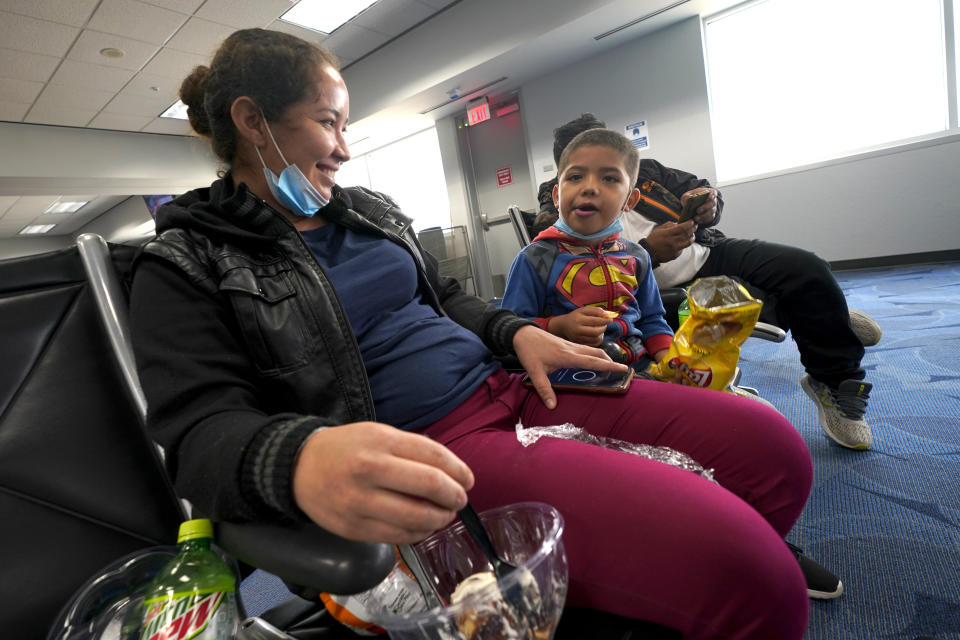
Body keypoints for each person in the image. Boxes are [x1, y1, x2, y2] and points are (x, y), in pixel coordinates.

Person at [130, 28, 821, 639]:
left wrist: (516, 331)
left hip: (513, 385)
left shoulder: (364, 211)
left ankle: (644, 594)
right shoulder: (187, 261)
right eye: (327, 123)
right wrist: (299, 458)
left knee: (773, 453)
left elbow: (448, 296)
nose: (344, 147)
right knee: (759, 584)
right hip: (436, 446)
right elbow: (197, 436)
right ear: (254, 121)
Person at [536, 114, 883, 451]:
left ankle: (828, 355)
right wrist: (649, 253)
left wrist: (708, 205)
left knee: (806, 268)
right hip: (651, 293)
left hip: (707, 251)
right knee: (764, 298)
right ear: (563, 172)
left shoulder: (649, 171)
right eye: (583, 167)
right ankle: (822, 318)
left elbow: (699, 187)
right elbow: (570, 276)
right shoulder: (558, 206)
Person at [501, 128, 673, 374]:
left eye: (610, 179)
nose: (589, 188)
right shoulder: (534, 259)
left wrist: (670, 361)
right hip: (573, 376)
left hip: (640, 369)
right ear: (558, 196)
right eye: (575, 177)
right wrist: (559, 326)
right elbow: (512, 330)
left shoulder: (637, 256)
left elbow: (652, 320)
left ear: (629, 201)